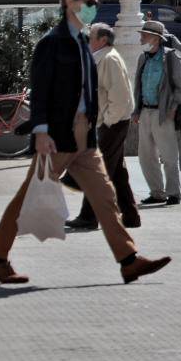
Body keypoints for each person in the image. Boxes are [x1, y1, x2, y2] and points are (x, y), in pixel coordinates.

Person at [0, 0, 170, 286]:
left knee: (105, 198)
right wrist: (41, 131)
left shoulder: (84, 43)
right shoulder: (51, 44)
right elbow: (41, 90)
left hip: (86, 137)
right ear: (71, 3)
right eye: (90, 2)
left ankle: (128, 260)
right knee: (27, 197)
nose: (94, 7)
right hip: (59, 137)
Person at [66, 22, 140, 232]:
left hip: (112, 123)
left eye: (91, 36)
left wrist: (107, 121)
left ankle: (89, 217)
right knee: (116, 172)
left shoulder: (109, 60)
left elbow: (120, 97)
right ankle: (131, 215)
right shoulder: (100, 59)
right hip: (106, 123)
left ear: (103, 40)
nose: (87, 40)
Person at [133, 20, 181, 207]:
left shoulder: (170, 58)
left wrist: (173, 109)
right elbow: (138, 86)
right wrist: (136, 110)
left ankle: (173, 192)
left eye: (144, 35)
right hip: (145, 111)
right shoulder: (143, 58)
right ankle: (157, 192)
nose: (141, 38)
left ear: (156, 39)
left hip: (163, 112)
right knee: (145, 156)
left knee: (168, 155)